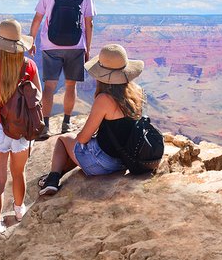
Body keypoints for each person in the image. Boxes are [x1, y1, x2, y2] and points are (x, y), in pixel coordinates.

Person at [38, 44, 145, 195]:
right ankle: (54, 176)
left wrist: (79, 136)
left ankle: (52, 180)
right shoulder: (137, 93)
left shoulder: (104, 99)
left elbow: (82, 139)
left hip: (104, 164)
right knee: (79, 146)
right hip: (126, 160)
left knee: (64, 139)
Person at [0, 19, 42, 233]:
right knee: (19, 172)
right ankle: (19, 209)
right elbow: (38, 96)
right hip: (21, 127)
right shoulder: (29, 65)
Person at [29, 0, 96, 138]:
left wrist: (31, 40)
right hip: (76, 46)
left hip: (51, 46)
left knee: (49, 86)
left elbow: (38, 18)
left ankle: (45, 126)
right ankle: (66, 123)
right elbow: (89, 25)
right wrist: (87, 49)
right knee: (70, 85)